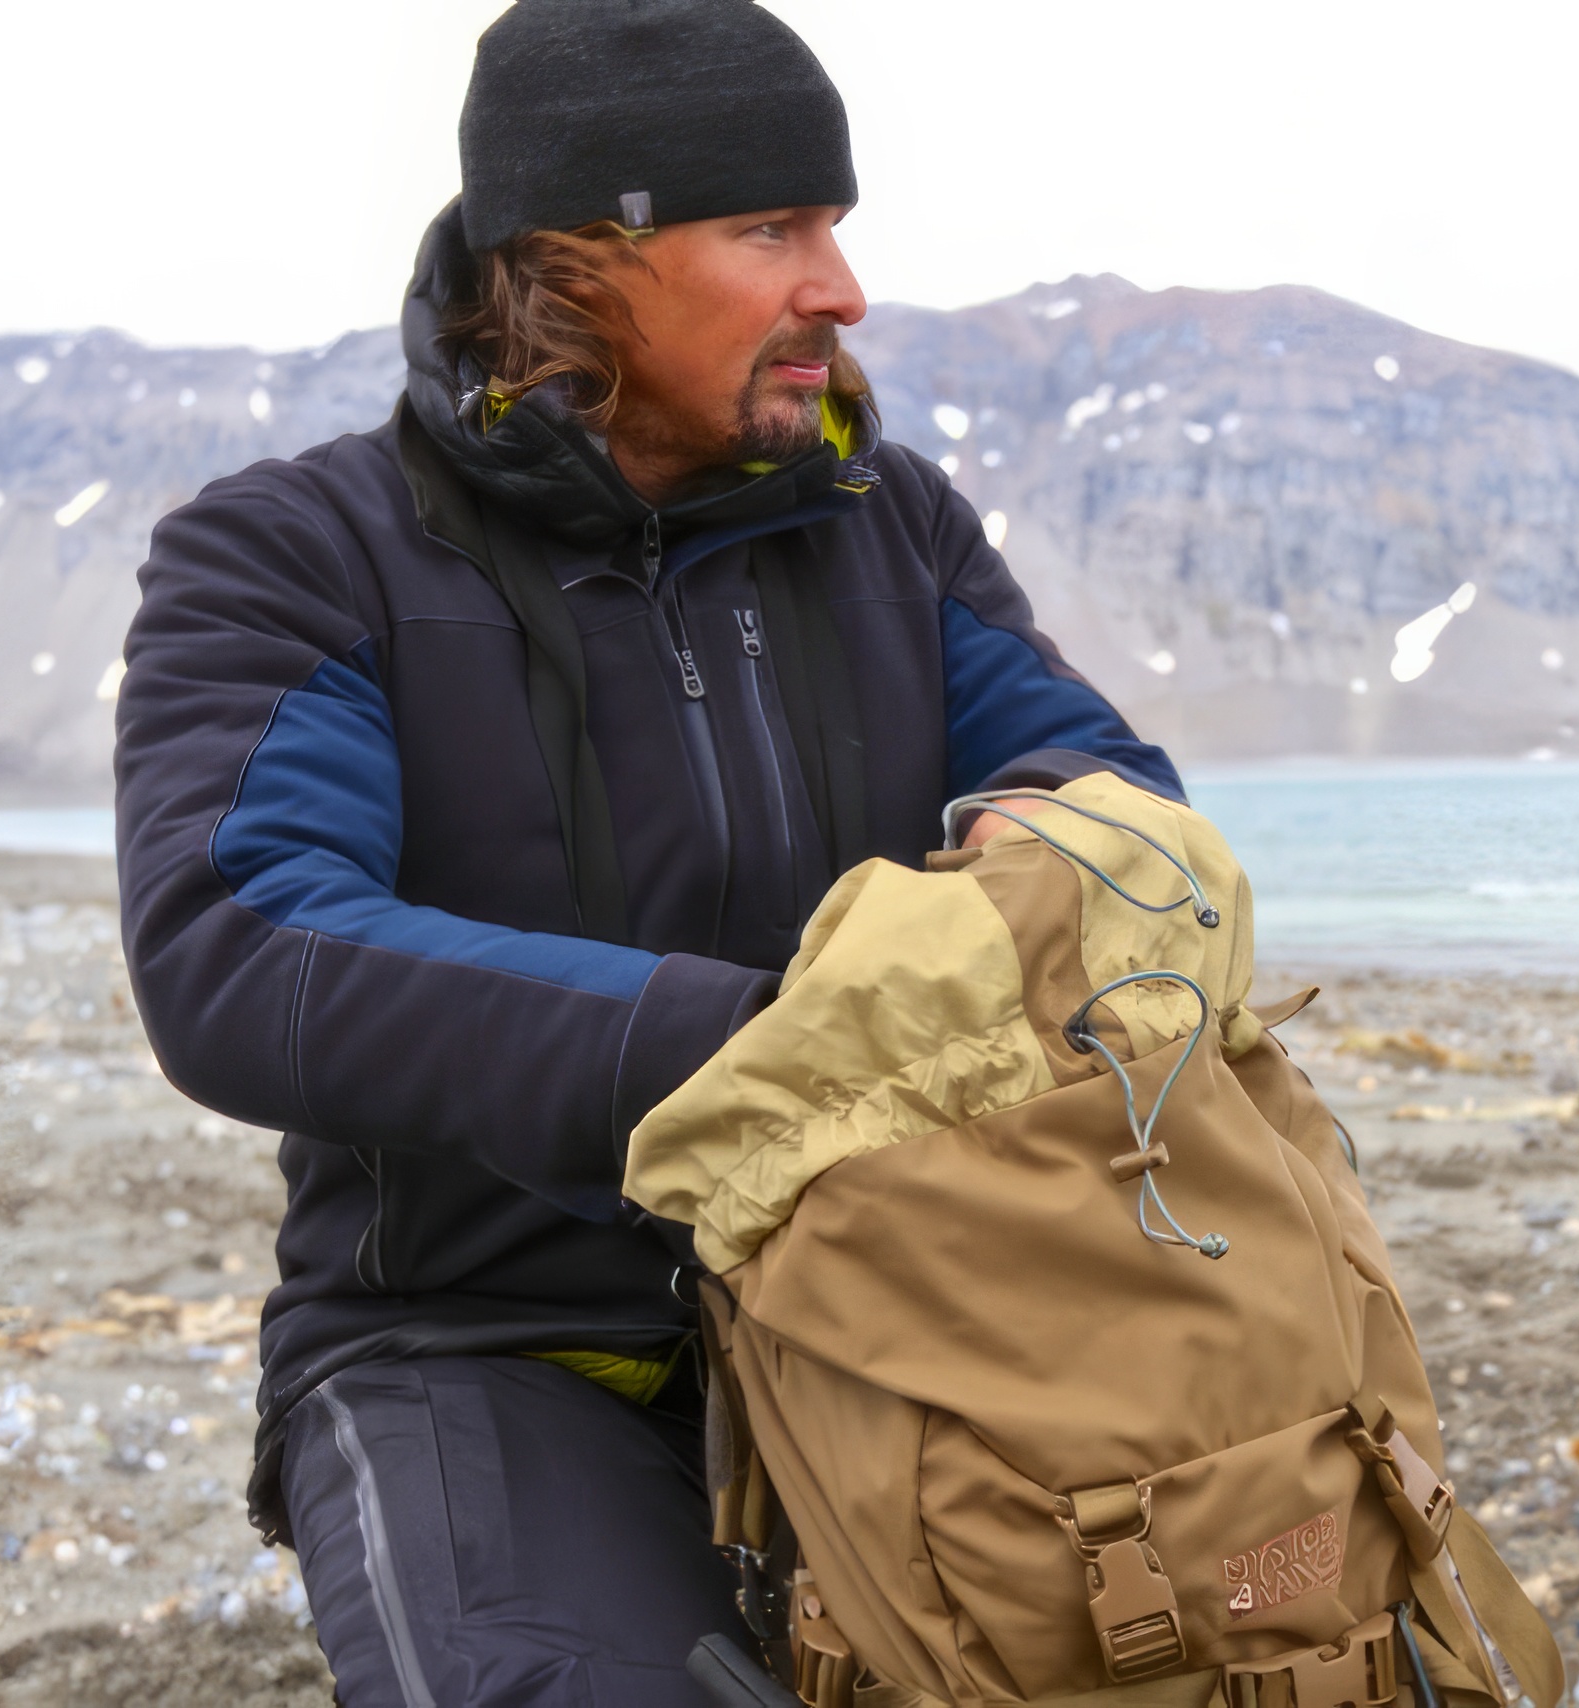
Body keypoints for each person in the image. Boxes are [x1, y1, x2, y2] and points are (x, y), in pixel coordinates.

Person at [112, 2, 1180, 1701]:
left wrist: (1027, 843)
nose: (836, 287)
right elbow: (243, 947)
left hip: (913, 1295)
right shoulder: (293, 555)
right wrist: (760, 1046)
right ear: (572, 260)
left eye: (834, 228)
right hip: (481, 1341)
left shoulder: (884, 522)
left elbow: (1112, 806)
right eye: (772, 228)